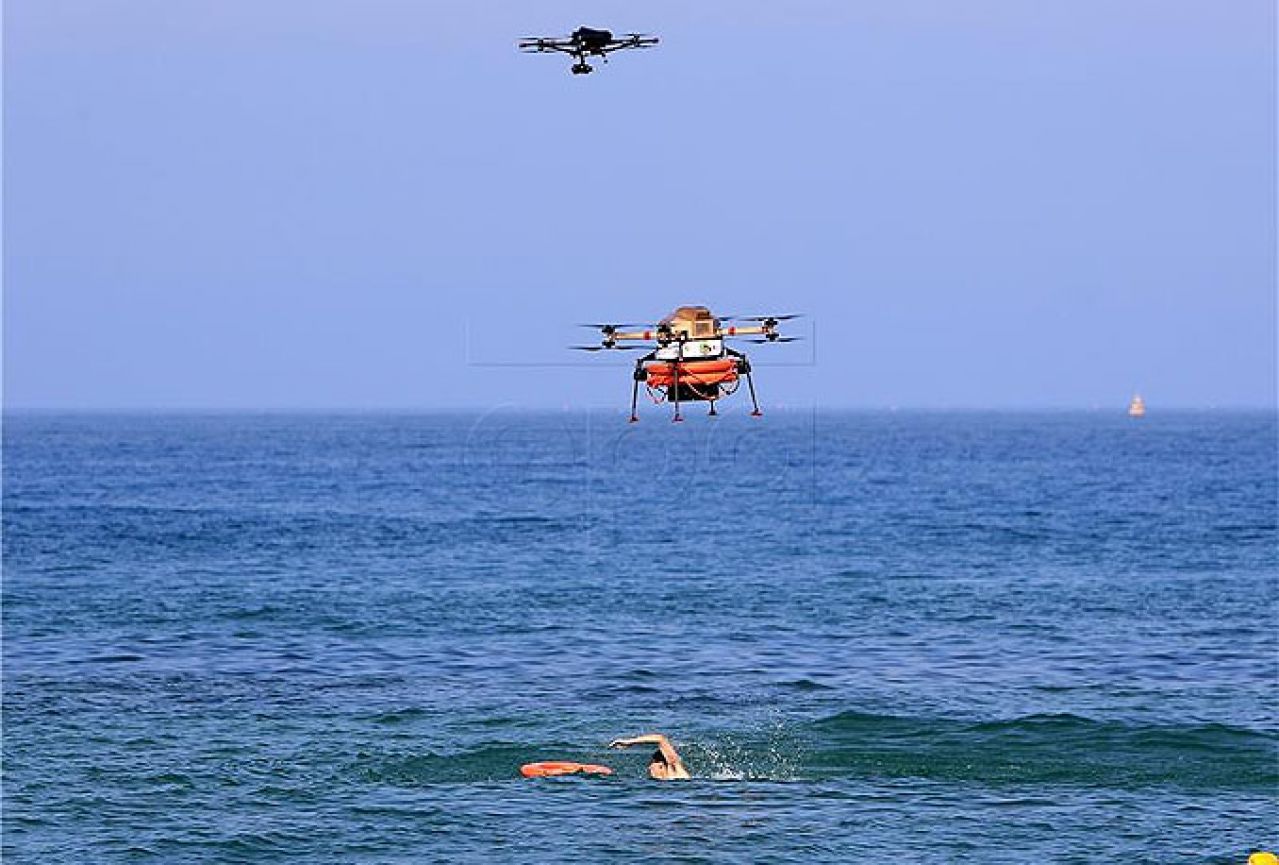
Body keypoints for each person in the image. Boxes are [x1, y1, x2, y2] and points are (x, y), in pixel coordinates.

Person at [609, 733, 691, 780]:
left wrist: (629, 742)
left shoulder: (677, 773)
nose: (648, 768)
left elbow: (660, 739)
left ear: (661, 765)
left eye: (651, 764)